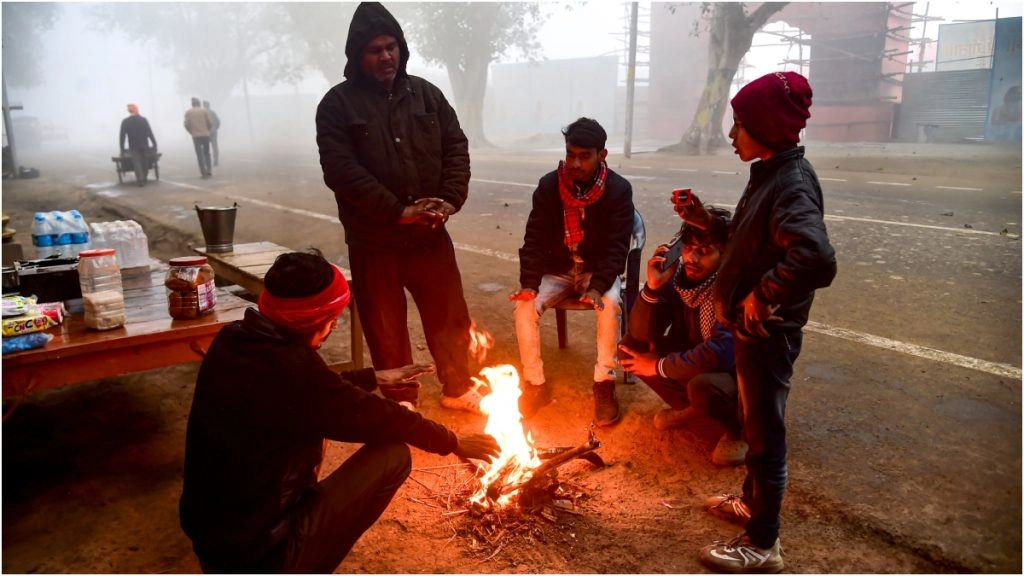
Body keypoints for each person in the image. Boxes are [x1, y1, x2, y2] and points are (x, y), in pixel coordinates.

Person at [179, 249, 499, 574]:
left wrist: (373, 377)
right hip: (261, 555)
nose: (333, 327)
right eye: (334, 321)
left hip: (214, 541)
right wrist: (452, 441)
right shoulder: (297, 373)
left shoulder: (233, 339)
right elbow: (382, 418)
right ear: (320, 322)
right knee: (393, 456)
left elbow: (304, 393)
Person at [676, 71, 837, 573]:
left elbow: (815, 256)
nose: (731, 134)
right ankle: (751, 503)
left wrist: (763, 296)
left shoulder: (789, 183)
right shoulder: (770, 171)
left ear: (765, 127)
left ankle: (762, 543)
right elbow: (753, 239)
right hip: (751, 334)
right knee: (754, 421)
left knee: (765, 435)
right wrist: (707, 223)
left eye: (739, 124)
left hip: (768, 335)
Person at [316, 2, 481, 413]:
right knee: (386, 329)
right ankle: (401, 402)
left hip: (429, 236)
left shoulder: (426, 94)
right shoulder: (337, 106)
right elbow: (341, 171)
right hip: (376, 241)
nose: (386, 55)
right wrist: (395, 210)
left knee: (449, 318)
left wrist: (450, 198)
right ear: (358, 55)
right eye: (375, 49)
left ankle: (458, 389)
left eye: (392, 46)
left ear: (402, 49)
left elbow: (455, 147)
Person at [509, 117, 635, 426]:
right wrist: (529, 284)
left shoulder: (618, 190)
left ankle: (603, 385)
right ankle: (535, 384)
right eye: (571, 154)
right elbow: (534, 238)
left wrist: (599, 285)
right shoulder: (550, 186)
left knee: (609, 305)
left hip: (596, 271)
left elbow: (618, 248)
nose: (575, 163)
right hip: (559, 271)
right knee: (524, 308)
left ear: (601, 155)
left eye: (584, 156)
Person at [617, 205, 747, 467]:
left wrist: (658, 366)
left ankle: (740, 430)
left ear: (725, 255)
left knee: (702, 386)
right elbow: (641, 332)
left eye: (704, 251)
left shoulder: (732, 288)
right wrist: (652, 289)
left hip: (737, 377)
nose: (692, 258)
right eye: (688, 248)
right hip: (696, 363)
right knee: (629, 350)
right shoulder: (680, 279)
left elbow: (718, 355)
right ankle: (693, 409)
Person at [118, 103, 157, 187]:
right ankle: (144, 177)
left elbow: (122, 136)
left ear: (129, 111)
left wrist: (122, 148)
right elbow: (149, 133)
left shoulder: (125, 122)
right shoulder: (143, 120)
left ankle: (140, 179)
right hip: (144, 145)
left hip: (133, 146)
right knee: (145, 162)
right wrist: (154, 143)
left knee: (137, 162)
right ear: (137, 110)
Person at [183, 97, 213, 179]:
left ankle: (203, 172)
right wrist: (207, 130)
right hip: (205, 134)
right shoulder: (204, 111)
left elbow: (186, 124)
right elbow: (210, 123)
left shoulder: (188, 112)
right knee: (207, 153)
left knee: (199, 154)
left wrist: (191, 131)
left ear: (192, 104)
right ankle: (209, 170)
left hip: (195, 136)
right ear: (199, 104)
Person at [202, 100, 221, 166]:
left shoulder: (202, 112)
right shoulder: (213, 112)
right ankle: (216, 160)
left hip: (205, 132)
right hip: (213, 132)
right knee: (215, 146)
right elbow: (218, 121)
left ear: (203, 105)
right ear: (209, 105)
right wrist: (215, 128)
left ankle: (205, 161)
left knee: (205, 147)